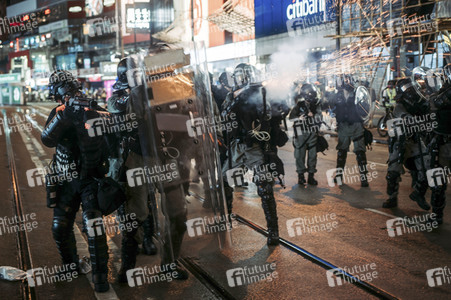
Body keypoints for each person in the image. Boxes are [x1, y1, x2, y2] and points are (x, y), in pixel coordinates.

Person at [42, 70, 111, 292]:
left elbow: (112, 124)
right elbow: (48, 139)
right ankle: (70, 266)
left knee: (94, 228)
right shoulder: (59, 111)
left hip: (91, 178)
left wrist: (88, 115)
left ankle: (101, 277)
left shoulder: (90, 106)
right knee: (59, 227)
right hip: (66, 180)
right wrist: (64, 115)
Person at [106, 57, 158, 283]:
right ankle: (128, 265)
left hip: (150, 156)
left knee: (149, 199)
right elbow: (124, 114)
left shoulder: (148, 93)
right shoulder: (118, 98)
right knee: (130, 208)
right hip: (129, 159)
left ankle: (148, 238)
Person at [222, 63, 281, 246]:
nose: (240, 79)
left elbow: (269, 115)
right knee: (223, 183)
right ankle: (226, 222)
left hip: (257, 147)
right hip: (237, 148)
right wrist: (237, 98)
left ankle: (273, 231)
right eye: (238, 76)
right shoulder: (231, 95)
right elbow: (224, 116)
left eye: (243, 76)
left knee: (265, 187)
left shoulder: (261, 93)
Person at [382, 78, 431, 210]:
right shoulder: (399, 106)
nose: (410, 92)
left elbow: (429, 112)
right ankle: (392, 197)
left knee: (428, 165)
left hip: (415, 140)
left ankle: (419, 193)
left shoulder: (418, 103)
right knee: (393, 172)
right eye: (407, 90)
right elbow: (407, 119)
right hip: (400, 141)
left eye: (411, 89)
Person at [328, 75, 369, 187]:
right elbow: (332, 108)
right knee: (342, 152)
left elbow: (365, 106)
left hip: (356, 125)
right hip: (343, 126)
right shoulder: (337, 95)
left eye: (348, 80)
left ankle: (364, 178)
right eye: (345, 80)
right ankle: (339, 176)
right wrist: (333, 118)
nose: (346, 82)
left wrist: (364, 119)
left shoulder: (357, 93)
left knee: (360, 152)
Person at [289, 83, 322, 185]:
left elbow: (320, 118)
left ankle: (311, 177)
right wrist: (299, 118)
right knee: (300, 155)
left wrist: (314, 116)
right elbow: (291, 118)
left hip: (312, 131)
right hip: (300, 132)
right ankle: (301, 176)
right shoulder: (299, 105)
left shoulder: (316, 105)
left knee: (312, 156)